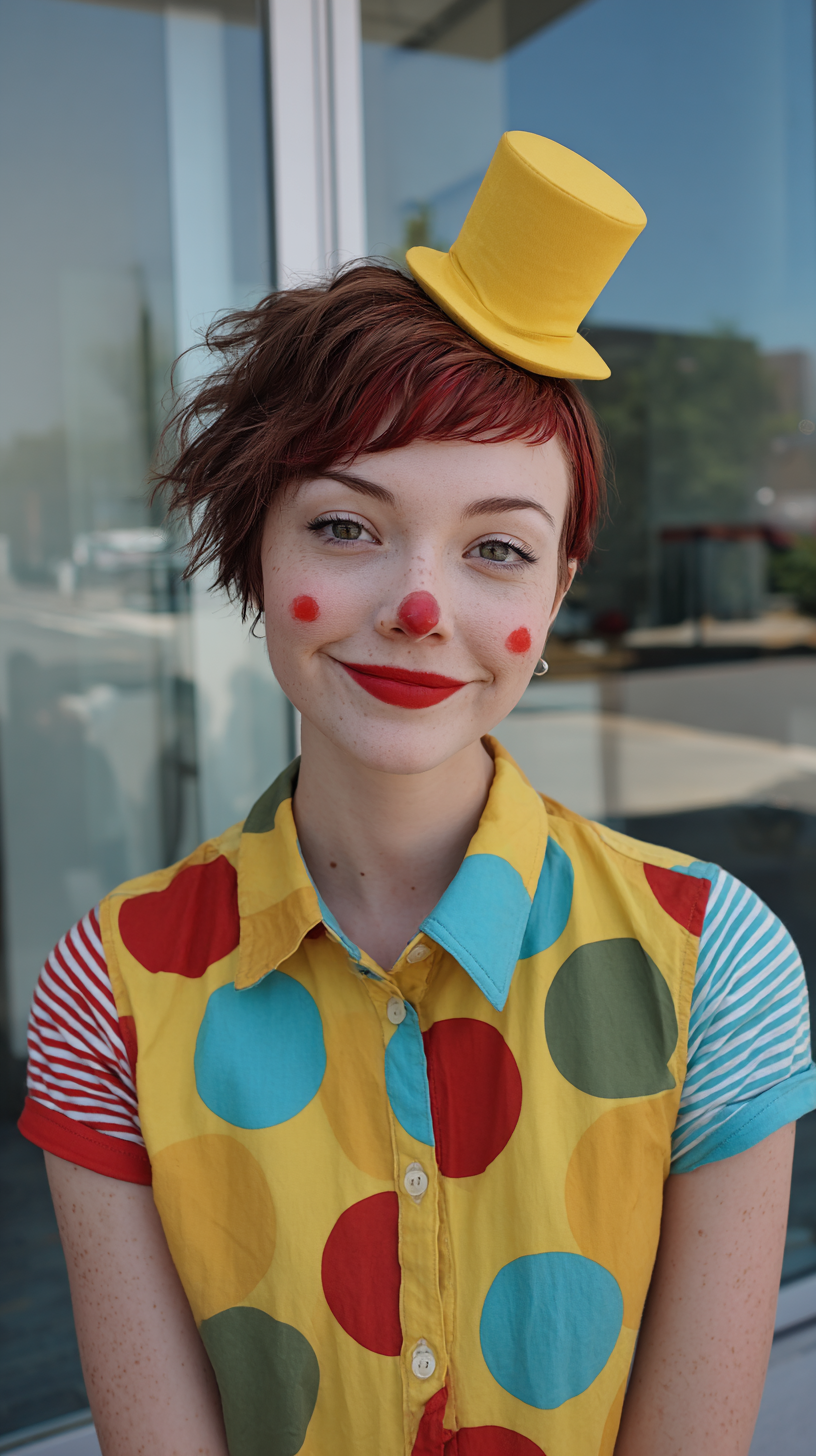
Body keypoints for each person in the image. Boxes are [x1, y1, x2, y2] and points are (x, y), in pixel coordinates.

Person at [19, 133, 816, 1456]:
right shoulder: (109, 995)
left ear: (555, 598)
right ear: (254, 552)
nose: (421, 606)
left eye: (498, 548)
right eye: (346, 525)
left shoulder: (712, 963)